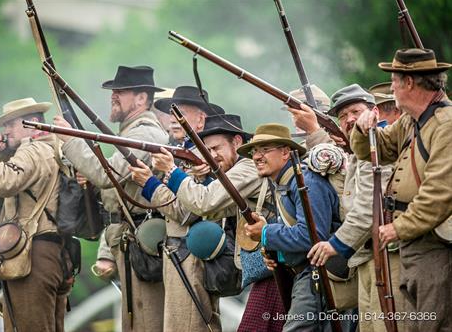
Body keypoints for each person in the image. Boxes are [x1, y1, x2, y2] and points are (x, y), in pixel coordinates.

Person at [54, 65, 168, 332]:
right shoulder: (130, 133)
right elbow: (113, 195)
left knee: (147, 322)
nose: (113, 96)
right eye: (113, 91)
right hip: (129, 240)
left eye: (121, 92)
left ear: (142, 98)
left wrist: (69, 139)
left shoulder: (144, 133)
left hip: (143, 242)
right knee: (134, 321)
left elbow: (107, 175)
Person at [352, 48, 452, 332]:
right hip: (415, 240)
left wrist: (399, 228)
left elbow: (440, 193)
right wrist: (363, 130)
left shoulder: (446, 125)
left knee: (434, 324)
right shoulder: (411, 120)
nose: (391, 87)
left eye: (394, 80)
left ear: (409, 82)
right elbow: (378, 149)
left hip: (436, 242)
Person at [0, 98, 72, 332]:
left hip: (34, 252)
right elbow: (19, 178)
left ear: (32, 123)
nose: (6, 131)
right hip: (46, 249)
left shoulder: (34, 150)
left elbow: (4, 183)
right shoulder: (48, 148)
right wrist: (3, 152)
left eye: (11, 125)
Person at [293, 83, 404, 331]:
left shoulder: (378, 146)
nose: (349, 119)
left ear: (372, 112)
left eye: (355, 112)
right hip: (366, 257)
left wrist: (334, 245)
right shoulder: (358, 153)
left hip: (388, 255)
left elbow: (368, 211)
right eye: (343, 116)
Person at [130, 112, 250, 332]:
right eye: (208, 150)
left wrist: (159, 178)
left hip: (191, 254)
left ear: (237, 142)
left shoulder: (246, 168)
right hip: (193, 254)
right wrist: (200, 178)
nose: (212, 155)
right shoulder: (218, 169)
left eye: (216, 149)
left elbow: (194, 208)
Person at [242, 123, 340, 331]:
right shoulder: (285, 183)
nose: (257, 157)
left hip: (320, 272)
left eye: (265, 150)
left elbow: (312, 237)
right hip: (306, 272)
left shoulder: (306, 182)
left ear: (286, 152)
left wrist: (266, 233)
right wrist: (275, 252)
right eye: (254, 151)